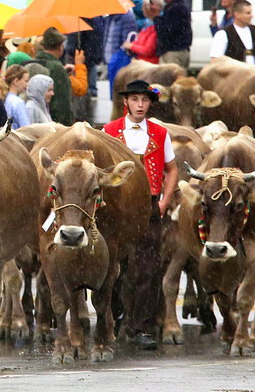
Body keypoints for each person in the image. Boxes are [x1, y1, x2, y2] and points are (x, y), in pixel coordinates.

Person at [103, 79, 178, 350]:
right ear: (126, 102)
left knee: (148, 266)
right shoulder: (109, 131)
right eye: (135, 99)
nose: (140, 105)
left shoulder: (159, 133)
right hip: (118, 207)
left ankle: (142, 326)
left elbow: (172, 169)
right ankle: (114, 317)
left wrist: (165, 200)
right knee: (115, 266)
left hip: (149, 205)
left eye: (144, 100)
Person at [36, 27, 73, 126]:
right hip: (54, 124)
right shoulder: (57, 68)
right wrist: (66, 126)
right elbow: (62, 102)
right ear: (60, 46)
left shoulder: (34, 62)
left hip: (36, 121)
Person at [153, 0, 192, 69]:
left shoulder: (175, 8)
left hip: (172, 53)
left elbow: (165, 32)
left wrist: (156, 16)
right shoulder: (183, 5)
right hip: (182, 50)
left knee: (167, 81)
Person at [210, 0, 255, 66]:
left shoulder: (254, 30)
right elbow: (215, 61)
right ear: (237, 15)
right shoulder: (223, 34)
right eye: (248, 13)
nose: (251, 16)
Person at [123, 0, 164, 64]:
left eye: (144, 6)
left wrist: (131, 46)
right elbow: (140, 43)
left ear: (151, 8)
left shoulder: (156, 26)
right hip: (142, 62)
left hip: (149, 65)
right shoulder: (147, 23)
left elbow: (148, 50)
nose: (142, 9)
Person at [2, 64, 30, 129]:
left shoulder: (3, 98)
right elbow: (26, 128)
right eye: (26, 81)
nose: (28, 84)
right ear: (16, 81)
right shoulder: (18, 103)